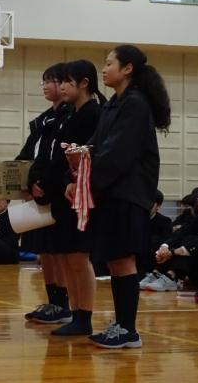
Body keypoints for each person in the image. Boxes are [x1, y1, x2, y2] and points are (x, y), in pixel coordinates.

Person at [66, 44, 170, 349]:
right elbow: (98, 144)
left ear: (127, 69)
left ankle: (128, 330)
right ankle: (121, 325)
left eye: (110, 63)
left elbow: (117, 153)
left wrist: (86, 181)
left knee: (123, 260)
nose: (104, 68)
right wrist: (78, 156)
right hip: (111, 193)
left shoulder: (135, 104)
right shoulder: (115, 103)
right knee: (114, 261)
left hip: (127, 193)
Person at [36, 60, 104, 336]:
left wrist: (70, 181)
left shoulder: (93, 113)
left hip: (82, 195)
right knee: (67, 257)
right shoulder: (72, 114)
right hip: (65, 193)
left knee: (78, 258)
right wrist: (61, 181)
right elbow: (61, 158)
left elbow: (88, 155)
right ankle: (75, 313)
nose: (61, 87)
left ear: (84, 83)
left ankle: (84, 316)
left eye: (67, 81)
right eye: (60, 81)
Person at [17, 63, 72, 324]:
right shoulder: (42, 120)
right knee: (46, 252)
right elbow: (29, 155)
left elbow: (60, 159)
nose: (46, 86)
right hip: (39, 194)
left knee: (60, 252)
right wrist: (28, 182)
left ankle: (65, 305)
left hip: (59, 194)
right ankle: (53, 302)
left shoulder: (71, 117)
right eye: (44, 81)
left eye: (50, 81)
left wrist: (47, 185)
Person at [138, 189, 173, 283]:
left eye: (150, 203)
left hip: (154, 260)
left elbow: (166, 241)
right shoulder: (135, 220)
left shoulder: (165, 221)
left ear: (158, 206)